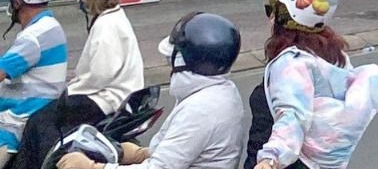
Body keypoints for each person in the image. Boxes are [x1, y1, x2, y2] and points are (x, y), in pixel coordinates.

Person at [247, 0, 378, 169]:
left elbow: (293, 114)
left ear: (283, 15)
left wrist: (270, 159)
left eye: (272, 10)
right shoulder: (334, 56)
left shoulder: (291, 64)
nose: (269, 17)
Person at [58, 11, 248, 169]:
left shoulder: (201, 109)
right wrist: (144, 153)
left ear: (184, 59)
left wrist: (93, 167)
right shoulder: (221, 92)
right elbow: (183, 150)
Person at [17, 0, 144, 168]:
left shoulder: (106, 27)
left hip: (105, 98)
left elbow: (98, 76)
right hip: (118, 94)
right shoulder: (114, 18)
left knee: (38, 123)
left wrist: (69, 91)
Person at [0, 0, 67, 169]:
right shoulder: (51, 27)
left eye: (11, 0)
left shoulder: (33, 38)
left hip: (14, 128)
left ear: (18, 2)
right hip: (36, 115)